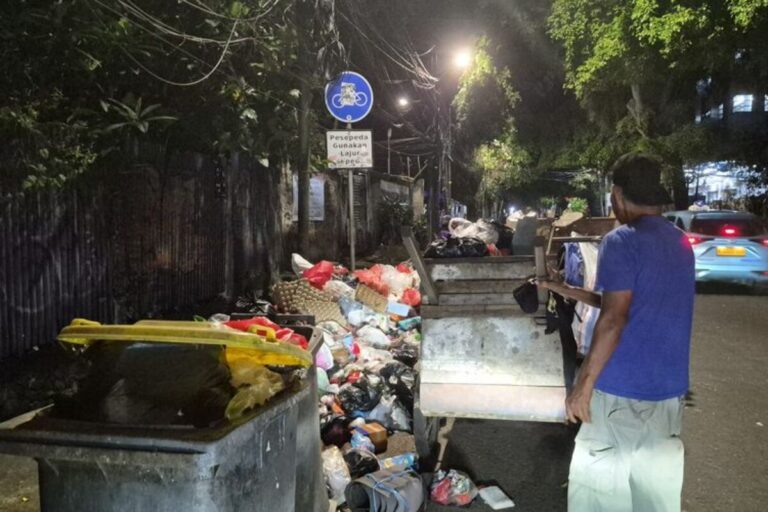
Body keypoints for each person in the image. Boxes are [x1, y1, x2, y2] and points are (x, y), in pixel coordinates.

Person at [540, 153, 695, 511]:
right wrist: (567, 290)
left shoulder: (621, 240)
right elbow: (627, 303)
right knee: (653, 501)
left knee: (598, 499)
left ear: (618, 194)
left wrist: (582, 386)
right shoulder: (680, 243)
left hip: (619, 395)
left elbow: (613, 320)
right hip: (667, 396)